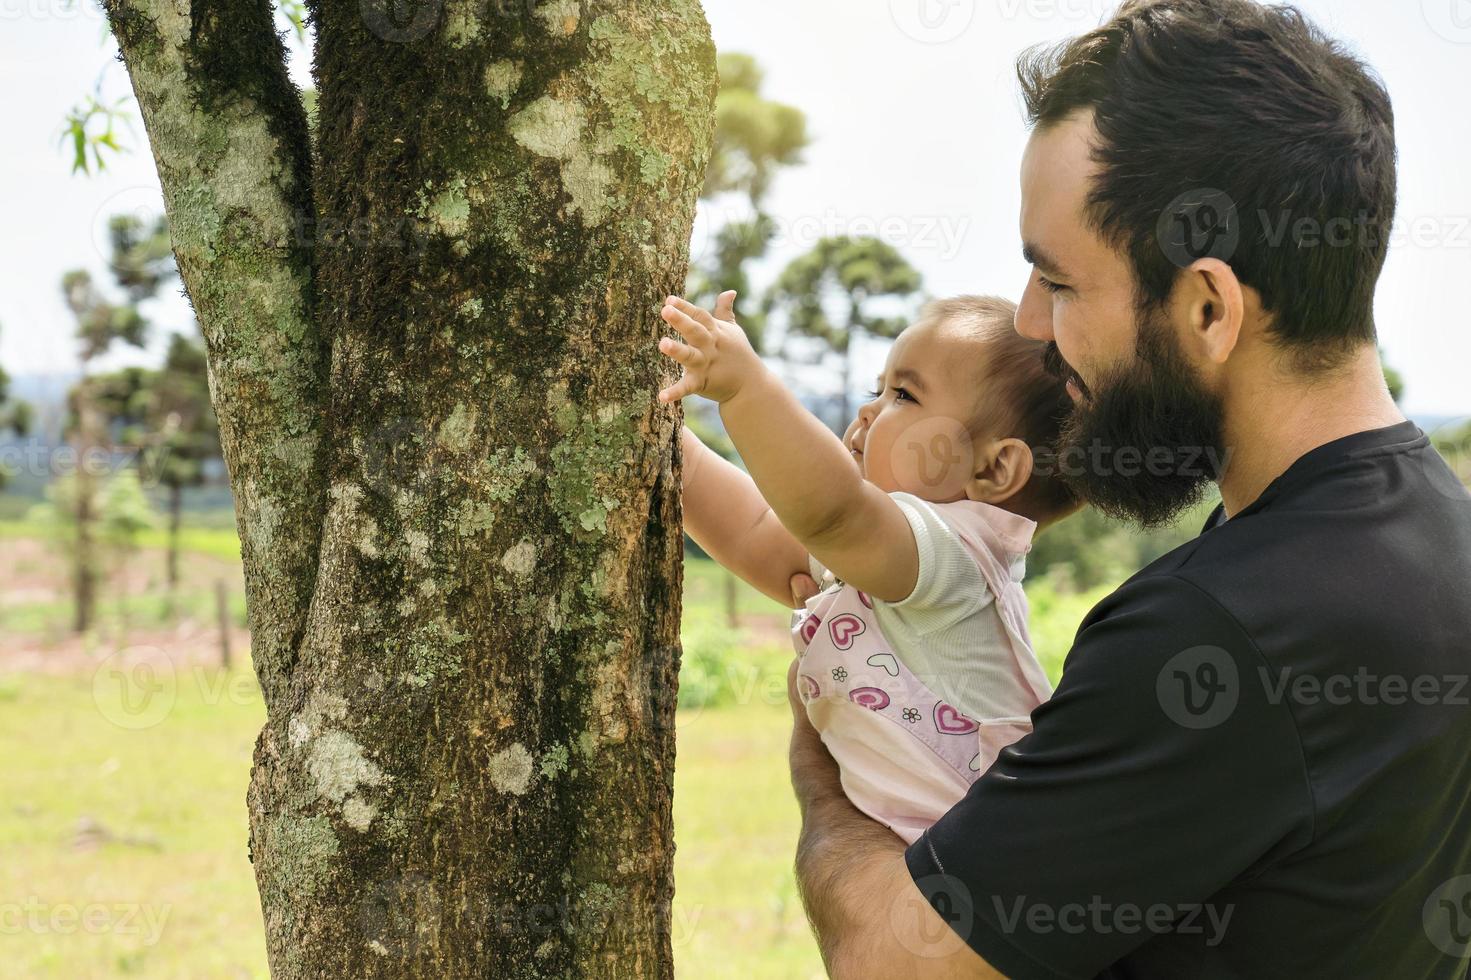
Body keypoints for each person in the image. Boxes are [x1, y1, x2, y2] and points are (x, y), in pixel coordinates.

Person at [784, 1, 1471, 977]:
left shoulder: (1215, 626)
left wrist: (825, 790)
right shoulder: (1441, 533)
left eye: (1057, 284)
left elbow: (891, 959)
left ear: (1205, 307)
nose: (1029, 322)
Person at [662, 293, 1079, 844]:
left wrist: (745, 387)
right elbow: (757, 529)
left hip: (1003, 871)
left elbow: (833, 510)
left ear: (995, 468)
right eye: (875, 391)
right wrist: (664, 436)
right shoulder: (885, 553)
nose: (867, 412)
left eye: (903, 395)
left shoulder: (957, 555)